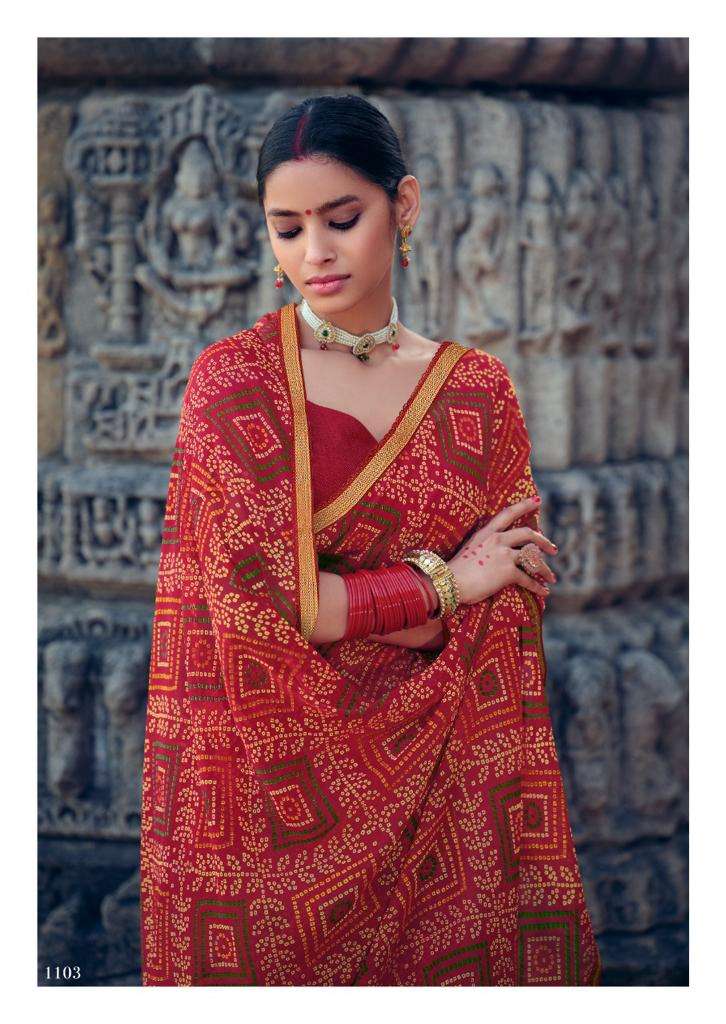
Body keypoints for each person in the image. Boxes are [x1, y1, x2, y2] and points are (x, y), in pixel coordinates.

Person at [139, 94, 602, 986]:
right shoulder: (233, 386)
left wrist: (373, 601)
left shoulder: (476, 395)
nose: (314, 252)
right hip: (271, 810)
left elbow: (505, 609)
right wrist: (440, 589)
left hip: (445, 801)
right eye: (287, 228)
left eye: (342, 219)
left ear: (405, 206)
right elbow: (263, 613)